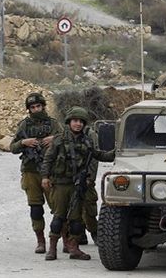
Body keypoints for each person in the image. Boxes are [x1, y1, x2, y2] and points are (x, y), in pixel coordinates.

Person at [40, 106, 115, 261]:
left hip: (77, 185)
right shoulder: (59, 139)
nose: (78, 124)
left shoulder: (87, 141)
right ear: (69, 122)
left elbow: (98, 155)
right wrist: (45, 177)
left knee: (76, 220)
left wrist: (116, 153)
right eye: (75, 121)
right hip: (61, 184)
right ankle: (52, 248)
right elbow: (48, 159)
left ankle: (74, 248)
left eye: (81, 121)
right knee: (59, 217)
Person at [10, 92, 63, 254]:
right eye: (32, 107)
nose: (36, 109)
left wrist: (54, 138)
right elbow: (12, 147)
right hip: (30, 171)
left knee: (59, 207)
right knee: (35, 208)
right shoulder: (24, 126)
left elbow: (67, 140)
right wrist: (24, 142)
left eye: (38, 106)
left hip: (50, 172)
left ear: (43, 106)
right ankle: (40, 241)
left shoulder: (53, 124)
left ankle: (66, 240)